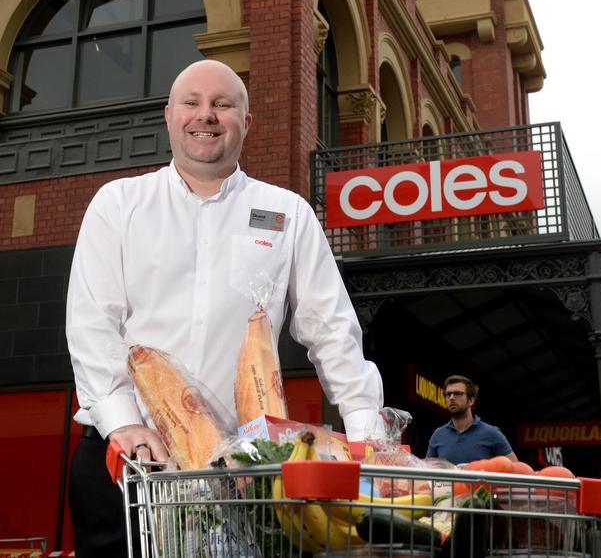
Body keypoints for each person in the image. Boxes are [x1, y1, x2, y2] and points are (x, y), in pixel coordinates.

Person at [66, 58, 383, 557]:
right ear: (169, 115)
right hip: (127, 457)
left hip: (244, 469)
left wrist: (368, 432)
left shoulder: (287, 214)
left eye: (222, 105)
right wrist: (124, 424)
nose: (205, 115)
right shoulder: (118, 204)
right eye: (192, 103)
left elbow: (333, 330)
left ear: (246, 122)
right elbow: (91, 322)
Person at [426, 375, 516, 464]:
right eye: (448, 394)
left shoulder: (492, 433)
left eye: (457, 393)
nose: (452, 397)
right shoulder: (438, 435)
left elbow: (516, 470)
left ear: (471, 400)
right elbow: (425, 472)